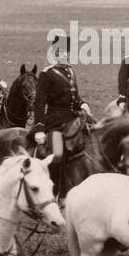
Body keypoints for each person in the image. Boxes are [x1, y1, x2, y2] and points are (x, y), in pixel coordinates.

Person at [32, 42, 94, 197]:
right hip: (56, 122)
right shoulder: (47, 74)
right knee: (57, 154)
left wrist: (83, 103)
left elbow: (74, 96)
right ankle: (54, 194)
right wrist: (39, 128)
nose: (65, 55)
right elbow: (39, 103)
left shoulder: (70, 70)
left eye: (67, 52)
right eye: (61, 52)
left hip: (74, 118)